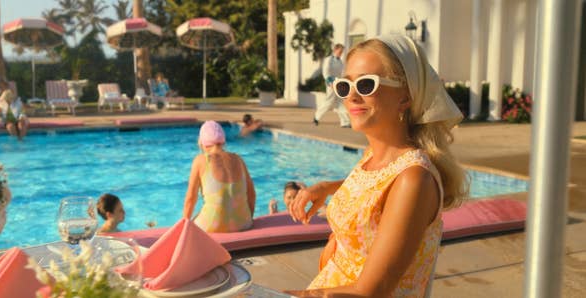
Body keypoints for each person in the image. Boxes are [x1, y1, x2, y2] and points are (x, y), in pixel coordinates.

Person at [286, 35, 468, 297]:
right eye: (345, 86)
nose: (352, 96)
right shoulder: (376, 157)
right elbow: (378, 191)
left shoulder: (414, 180)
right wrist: (329, 187)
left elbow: (369, 292)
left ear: (405, 96)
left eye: (366, 84)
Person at [183, 120, 256, 233]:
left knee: (190, 223)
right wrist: (248, 219)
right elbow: (251, 194)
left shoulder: (200, 160)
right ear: (223, 142)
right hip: (245, 224)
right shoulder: (238, 159)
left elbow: (191, 198)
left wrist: (184, 224)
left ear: (202, 143)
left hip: (212, 226)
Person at [314, 43, 351, 128]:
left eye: (342, 51)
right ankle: (317, 117)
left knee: (340, 103)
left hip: (339, 84)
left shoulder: (340, 62)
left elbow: (341, 74)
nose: (341, 53)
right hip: (331, 84)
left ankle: (345, 122)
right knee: (329, 102)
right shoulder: (329, 59)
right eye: (340, 51)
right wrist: (329, 81)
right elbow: (326, 71)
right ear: (335, 50)